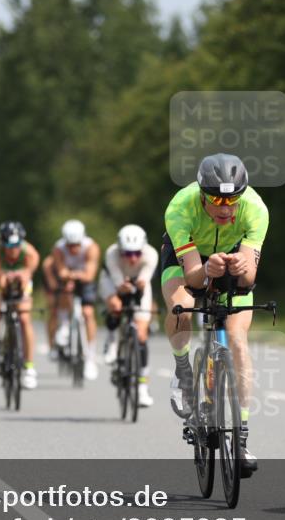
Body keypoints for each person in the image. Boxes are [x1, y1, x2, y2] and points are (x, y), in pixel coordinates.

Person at [160, 153, 269, 476]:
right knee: (183, 307)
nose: (225, 207)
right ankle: (183, 371)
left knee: (237, 340)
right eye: (217, 199)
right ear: (202, 194)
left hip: (232, 257)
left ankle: (243, 439)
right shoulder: (180, 208)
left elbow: (248, 280)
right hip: (189, 258)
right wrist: (207, 270)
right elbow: (194, 278)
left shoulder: (256, 209)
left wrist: (240, 267)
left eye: (232, 200)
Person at [100, 224, 159, 407]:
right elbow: (119, 284)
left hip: (139, 282)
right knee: (116, 305)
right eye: (127, 253)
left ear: (143, 248)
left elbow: (143, 281)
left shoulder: (151, 254)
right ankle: (111, 339)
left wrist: (138, 288)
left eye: (136, 253)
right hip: (113, 280)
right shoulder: (111, 254)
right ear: (120, 249)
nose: (132, 258)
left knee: (141, 334)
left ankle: (142, 387)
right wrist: (122, 290)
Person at [0, 221, 40, 389]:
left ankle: (29, 367)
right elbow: (0, 280)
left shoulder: (30, 253)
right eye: (8, 245)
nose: (12, 250)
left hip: (21, 278)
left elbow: (27, 276)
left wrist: (21, 280)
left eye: (16, 245)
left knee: (24, 318)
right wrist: (6, 281)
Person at [52, 219, 102, 381]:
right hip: (69, 280)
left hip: (85, 280)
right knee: (65, 290)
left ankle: (90, 356)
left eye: (76, 245)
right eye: (70, 245)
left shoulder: (91, 247)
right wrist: (69, 277)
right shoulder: (58, 248)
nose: (73, 249)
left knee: (88, 313)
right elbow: (60, 271)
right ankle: (65, 325)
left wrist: (72, 275)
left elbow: (89, 274)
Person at [40, 252, 60, 361]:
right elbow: (51, 284)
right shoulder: (48, 263)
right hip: (52, 284)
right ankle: (51, 344)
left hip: (67, 281)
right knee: (53, 310)